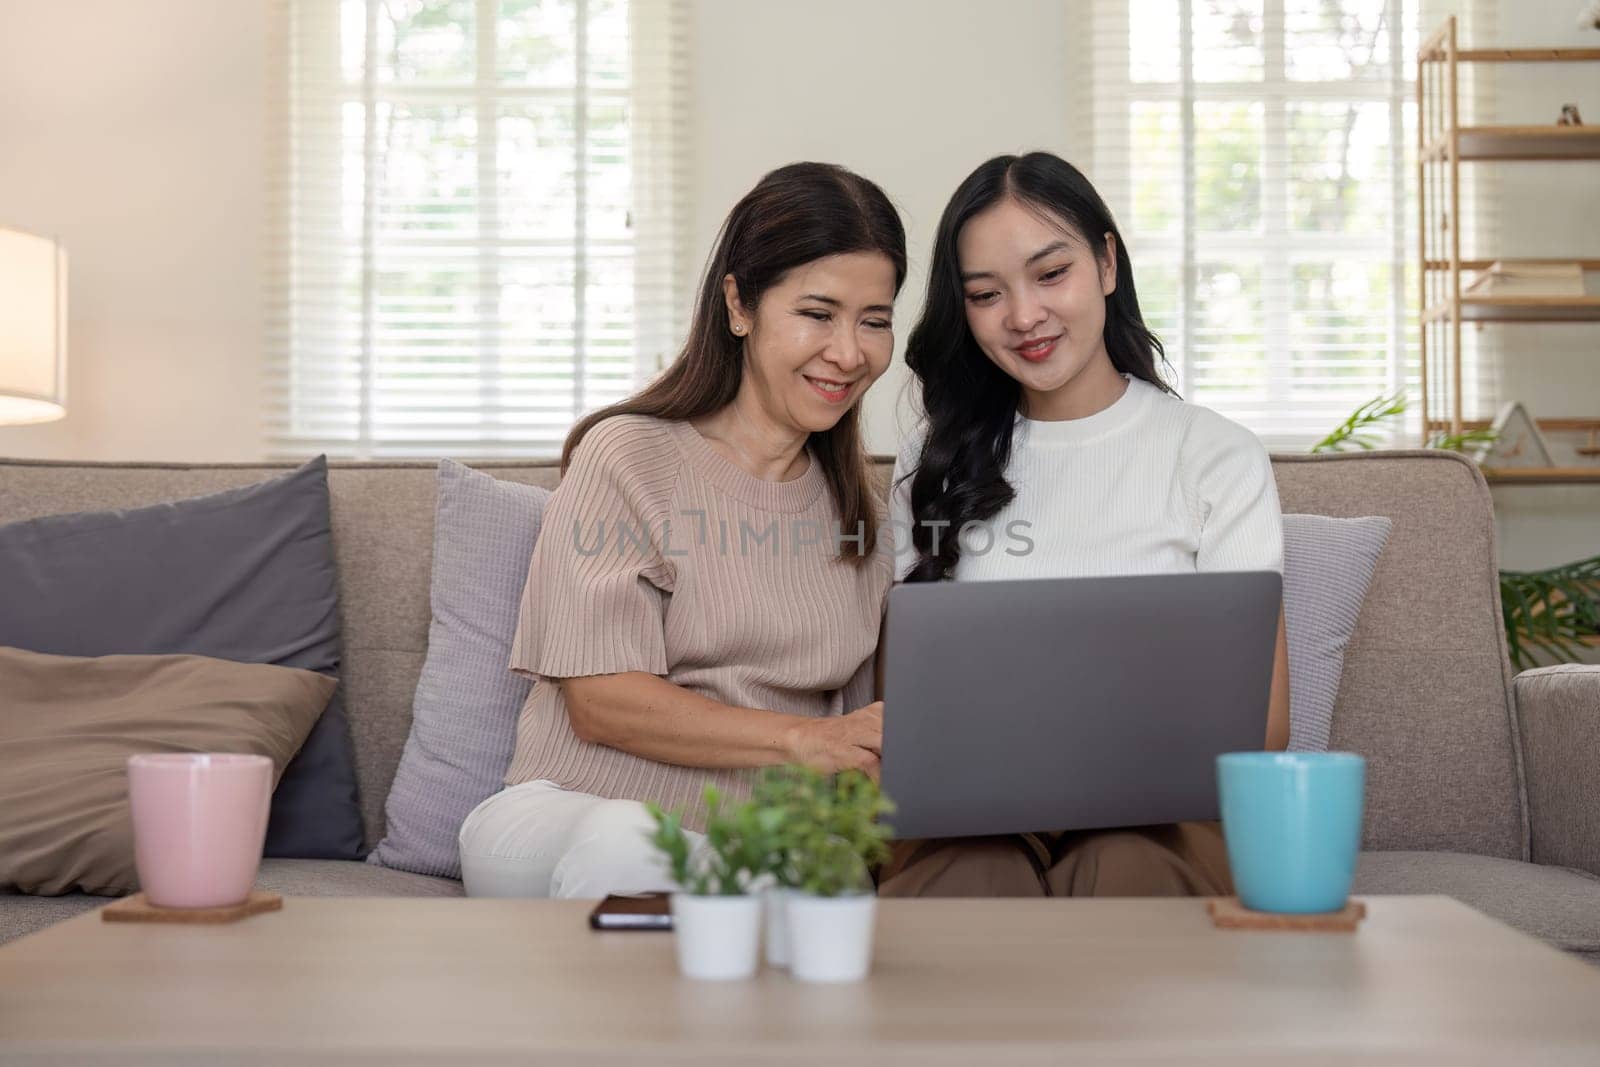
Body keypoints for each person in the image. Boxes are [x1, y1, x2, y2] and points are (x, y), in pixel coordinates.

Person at [458, 162, 902, 899]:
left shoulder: (865, 516)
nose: (850, 353)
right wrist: (801, 741)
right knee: (635, 847)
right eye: (818, 313)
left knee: (818, 885)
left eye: (875, 320)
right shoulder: (630, 457)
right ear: (739, 304)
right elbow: (603, 704)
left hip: (750, 840)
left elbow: (854, 744)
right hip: (574, 811)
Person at [878, 151, 1289, 898]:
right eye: (985, 294)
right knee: (973, 877)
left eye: (1050, 273)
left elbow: (1261, 724)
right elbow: (903, 701)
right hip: (972, 813)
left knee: (1123, 861)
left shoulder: (1215, 455)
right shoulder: (928, 460)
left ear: (1105, 263)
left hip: (1162, 815)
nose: (1024, 315)